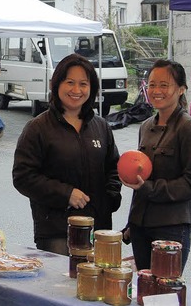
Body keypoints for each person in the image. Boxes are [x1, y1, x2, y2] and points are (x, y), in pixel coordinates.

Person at [12, 53, 122, 256]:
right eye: (70, 82)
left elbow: (114, 168)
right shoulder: (38, 128)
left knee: (98, 286)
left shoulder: (101, 126)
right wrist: (66, 194)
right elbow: (23, 177)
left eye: (83, 84)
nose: (76, 90)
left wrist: (111, 199)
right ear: (57, 84)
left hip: (98, 230)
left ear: (92, 88)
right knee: (61, 286)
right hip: (57, 232)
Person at [121, 59, 191, 273]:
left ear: (181, 90)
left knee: (165, 292)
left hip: (172, 226)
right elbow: (141, 177)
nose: (156, 91)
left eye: (164, 85)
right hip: (141, 226)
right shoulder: (146, 126)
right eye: (151, 84)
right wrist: (132, 223)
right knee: (145, 289)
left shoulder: (189, 128)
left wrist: (150, 188)